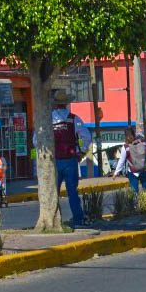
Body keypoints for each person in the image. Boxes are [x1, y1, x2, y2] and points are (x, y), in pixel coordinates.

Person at [51, 93, 92, 226]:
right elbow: (86, 137)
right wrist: (81, 152)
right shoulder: (74, 119)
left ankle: (54, 220)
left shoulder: (48, 119)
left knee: (53, 192)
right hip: (70, 160)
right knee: (72, 192)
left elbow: (36, 140)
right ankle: (78, 219)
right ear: (67, 103)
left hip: (54, 161)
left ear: (55, 104)